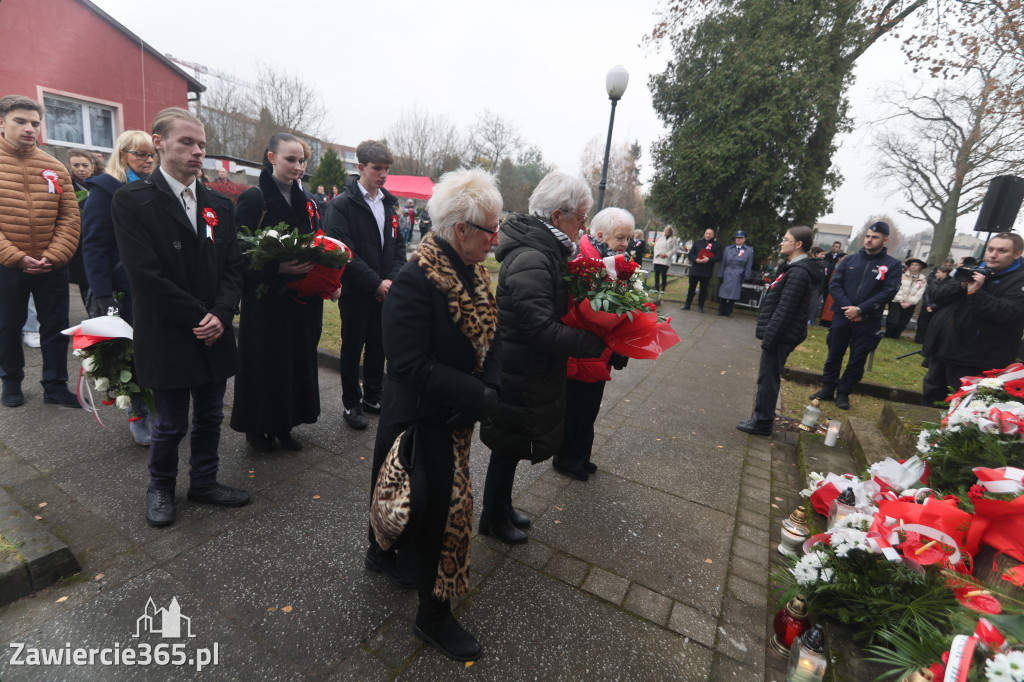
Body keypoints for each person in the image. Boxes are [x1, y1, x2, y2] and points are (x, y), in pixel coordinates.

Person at [365, 168, 502, 662]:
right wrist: (477, 394)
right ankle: (433, 614)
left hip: (454, 411)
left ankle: (381, 552)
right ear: (461, 230)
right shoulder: (415, 279)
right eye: (491, 228)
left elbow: (493, 334)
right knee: (437, 511)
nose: (497, 237)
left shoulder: (474, 270)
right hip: (423, 416)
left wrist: (491, 384)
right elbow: (408, 364)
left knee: (408, 495)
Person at [111, 107, 248, 527]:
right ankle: (161, 488)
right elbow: (145, 276)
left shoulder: (219, 204)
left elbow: (233, 266)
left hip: (215, 330)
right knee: (171, 423)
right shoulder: (133, 201)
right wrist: (201, 315)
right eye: (186, 142)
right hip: (169, 330)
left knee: (210, 414)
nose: (196, 151)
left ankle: (204, 481)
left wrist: (222, 313)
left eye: (201, 144)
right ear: (159, 142)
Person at [478, 172, 606, 544]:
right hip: (520, 368)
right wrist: (591, 342)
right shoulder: (533, 256)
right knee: (507, 446)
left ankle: (500, 507)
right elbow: (539, 328)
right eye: (580, 218)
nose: (584, 226)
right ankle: (492, 516)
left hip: (529, 367)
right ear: (556, 217)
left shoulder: (546, 250)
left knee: (513, 445)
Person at [231, 133, 333, 452]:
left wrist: (328, 275)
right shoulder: (254, 197)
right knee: (265, 362)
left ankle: (285, 423)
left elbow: (317, 241)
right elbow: (238, 252)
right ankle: (257, 428)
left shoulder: (309, 201)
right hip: (265, 301)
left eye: (302, 160)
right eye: (291, 159)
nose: (299, 166)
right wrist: (277, 270)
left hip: (300, 298)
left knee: (293, 362)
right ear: (272, 158)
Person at [0, 95, 80, 409]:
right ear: (2, 122)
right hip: (7, 265)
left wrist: (55, 254)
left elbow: (71, 216)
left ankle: (56, 385)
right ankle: (11, 382)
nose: (30, 128)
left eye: (35, 122)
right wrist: (14, 256)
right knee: (8, 326)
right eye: (21, 121)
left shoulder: (54, 167)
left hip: (51, 265)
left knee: (56, 326)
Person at [81, 130, 157, 444]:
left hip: (152, 286)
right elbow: (94, 245)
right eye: (140, 154)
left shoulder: (154, 187)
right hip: (120, 290)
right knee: (131, 357)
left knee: (154, 352)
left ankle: (159, 409)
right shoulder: (106, 190)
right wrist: (101, 294)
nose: (148, 159)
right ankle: (138, 415)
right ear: (123, 154)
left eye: (152, 154)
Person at [324, 140, 406, 430]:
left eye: (386, 169)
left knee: (378, 346)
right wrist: (376, 282)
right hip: (357, 292)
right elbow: (343, 251)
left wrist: (391, 280)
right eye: (377, 169)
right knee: (353, 347)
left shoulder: (388, 203)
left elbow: (398, 247)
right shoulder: (342, 205)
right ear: (361, 167)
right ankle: (351, 402)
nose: (383, 175)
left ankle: (373, 395)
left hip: (384, 293)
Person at [553, 207, 632, 479]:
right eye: (620, 238)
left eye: (627, 238)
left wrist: (620, 344)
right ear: (601, 234)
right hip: (582, 347)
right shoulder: (584, 258)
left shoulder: (610, 260)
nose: (625, 244)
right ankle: (567, 458)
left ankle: (581, 454)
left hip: (599, 348)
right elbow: (578, 305)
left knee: (589, 408)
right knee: (576, 408)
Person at [738, 226, 823, 435]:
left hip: (780, 335)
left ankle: (763, 422)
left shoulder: (798, 273)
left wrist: (769, 338)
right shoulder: (792, 268)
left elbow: (785, 310)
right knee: (767, 377)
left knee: (768, 378)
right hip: (779, 333)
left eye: (786, 239)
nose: (781, 242)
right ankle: (762, 418)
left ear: (798, 244)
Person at [920, 233, 1024, 405]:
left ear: (1017, 254)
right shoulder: (972, 268)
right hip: (943, 348)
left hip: (978, 359)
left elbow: (1008, 312)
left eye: (1002, 250)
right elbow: (938, 296)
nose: (993, 254)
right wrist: (959, 283)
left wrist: (976, 293)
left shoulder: (1019, 279)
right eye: (990, 249)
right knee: (931, 395)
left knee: (962, 406)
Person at [808, 221, 901, 410]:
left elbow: (888, 292)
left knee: (857, 359)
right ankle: (828, 388)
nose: (869, 240)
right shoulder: (850, 260)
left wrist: (861, 310)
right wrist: (849, 308)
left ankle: (843, 393)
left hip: (868, 320)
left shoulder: (892, 265)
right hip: (843, 316)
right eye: (867, 236)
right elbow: (835, 284)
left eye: (874, 237)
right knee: (834, 354)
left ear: (885, 240)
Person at [884, 257, 927, 338]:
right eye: (912, 265)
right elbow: (897, 288)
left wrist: (910, 302)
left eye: (916, 265)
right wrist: (901, 300)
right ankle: (888, 334)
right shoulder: (902, 276)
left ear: (920, 267)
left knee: (903, 322)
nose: (913, 266)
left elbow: (919, 292)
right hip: (897, 301)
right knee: (893, 320)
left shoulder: (921, 279)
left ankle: (896, 336)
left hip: (910, 304)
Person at [682, 228, 722, 312]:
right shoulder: (697, 243)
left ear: (713, 235)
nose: (708, 235)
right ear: (704, 234)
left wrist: (709, 259)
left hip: (706, 271)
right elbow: (690, 255)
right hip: (695, 269)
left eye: (710, 234)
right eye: (707, 233)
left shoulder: (717, 245)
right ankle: (687, 304)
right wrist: (696, 259)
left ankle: (700, 306)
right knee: (691, 288)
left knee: (703, 290)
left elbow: (718, 257)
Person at [717, 230, 754, 317]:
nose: (738, 239)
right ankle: (720, 310)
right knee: (723, 292)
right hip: (728, 271)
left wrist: (746, 275)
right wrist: (721, 273)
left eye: (740, 238)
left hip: (738, 273)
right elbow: (723, 263)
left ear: (744, 239)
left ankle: (729, 311)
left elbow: (749, 264)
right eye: (737, 238)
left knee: (734, 293)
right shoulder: (728, 248)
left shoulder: (748, 250)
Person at [914, 265, 952, 344]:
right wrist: (928, 304)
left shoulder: (950, 284)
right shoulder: (933, 281)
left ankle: (927, 340)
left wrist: (934, 306)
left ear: (945, 273)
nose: (936, 274)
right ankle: (918, 339)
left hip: (937, 308)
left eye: (938, 272)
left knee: (931, 325)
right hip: (927, 306)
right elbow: (927, 293)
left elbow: (945, 297)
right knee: (922, 323)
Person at [652, 225, 678, 292]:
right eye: (667, 230)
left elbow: (674, 249)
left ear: (671, 232)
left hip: (665, 259)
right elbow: (656, 247)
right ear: (665, 231)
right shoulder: (661, 238)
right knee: (656, 274)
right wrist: (659, 254)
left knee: (663, 274)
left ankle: (663, 288)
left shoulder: (674, 239)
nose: (668, 232)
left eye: (669, 230)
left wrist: (666, 254)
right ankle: (656, 288)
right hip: (658, 259)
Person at [807, 246, 826, 324]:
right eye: (821, 254)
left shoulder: (824, 264)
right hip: (812, 287)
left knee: (814, 306)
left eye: (824, 255)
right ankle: (809, 321)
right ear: (816, 254)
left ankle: (811, 321)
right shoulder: (810, 263)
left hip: (818, 288)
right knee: (810, 305)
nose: (823, 256)